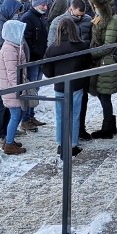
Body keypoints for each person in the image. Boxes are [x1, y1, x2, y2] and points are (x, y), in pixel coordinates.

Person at [43, 18, 90, 158]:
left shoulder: (52, 47)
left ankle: (60, 143)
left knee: (60, 115)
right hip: (76, 85)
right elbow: (87, 63)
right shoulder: (81, 46)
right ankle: (73, 144)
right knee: (74, 115)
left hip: (59, 86)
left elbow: (47, 70)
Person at [0, 0, 22, 142]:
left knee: (9, 100)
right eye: (16, 11)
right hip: (0, 65)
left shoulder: (3, 20)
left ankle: (8, 128)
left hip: (6, 62)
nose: (17, 14)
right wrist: (12, 49)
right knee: (2, 99)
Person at [88, 0, 117, 138]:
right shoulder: (99, 18)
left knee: (104, 95)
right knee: (102, 95)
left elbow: (108, 45)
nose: (94, 8)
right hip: (100, 62)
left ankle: (107, 129)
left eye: (97, 5)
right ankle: (110, 125)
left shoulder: (112, 21)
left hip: (106, 62)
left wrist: (89, 54)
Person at [18, 0, 50, 130]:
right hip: (32, 60)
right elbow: (27, 40)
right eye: (43, 5)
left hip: (39, 58)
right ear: (36, 4)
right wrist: (36, 52)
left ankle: (31, 116)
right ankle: (25, 119)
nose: (46, 7)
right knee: (29, 89)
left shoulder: (40, 17)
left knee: (35, 89)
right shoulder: (27, 18)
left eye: (46, 5)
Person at [0, 19, 28, 155]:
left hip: (14, 87)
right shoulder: (9, 49)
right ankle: (9, 144)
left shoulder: (12, 46)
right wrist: (18, 89)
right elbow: (12, 73)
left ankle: (9, 140)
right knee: (16, 114)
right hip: (13, 89)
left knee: (17, 114)